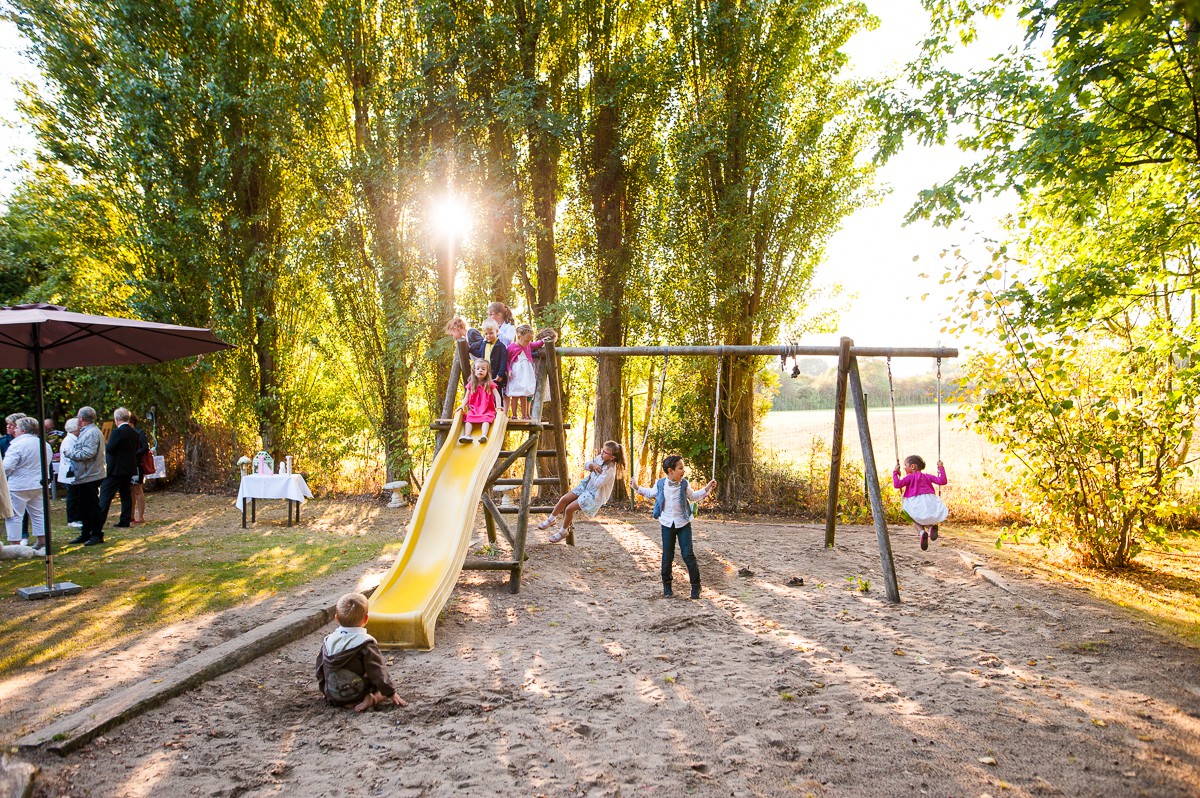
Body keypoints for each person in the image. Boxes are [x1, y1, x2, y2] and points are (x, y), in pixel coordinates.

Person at [632, 455, 717, 599]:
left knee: (688, 555)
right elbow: (649, 493)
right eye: (680, 468)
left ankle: (696, 586)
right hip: (667, 524)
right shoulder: (660, 484)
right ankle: (667, 585)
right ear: (670, 471)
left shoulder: (684, 484)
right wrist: (636, 487)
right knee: (667, 556)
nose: (683, 471)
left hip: (683, 523)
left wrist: (708, 487)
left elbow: (694, 496)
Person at [315, 593, 407, 712]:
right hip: (358, 693)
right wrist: (391, 693)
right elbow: (378, 672)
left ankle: (344, 701)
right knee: (384, 690)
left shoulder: (328, 641)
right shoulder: (365, 644)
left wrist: (326, 690)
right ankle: (372, 699)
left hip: (334, 695)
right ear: (366, 619)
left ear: (336, 618)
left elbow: (320, 669)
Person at [538, 440, 625, 543]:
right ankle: (551, 519)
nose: (602, 453)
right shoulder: (600, 458)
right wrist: (592, 465)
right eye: (602, 450)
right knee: (564, 499)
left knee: (569, 509)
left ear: (612, 457)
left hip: (593, 495)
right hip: (585, 486)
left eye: (605, 452)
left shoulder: (610, 470)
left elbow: (598, 483)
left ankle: (563, 531)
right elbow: (586, 465)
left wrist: (593, 470)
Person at [2, 416, 53, 552]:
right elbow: (47, 463)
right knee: (38, 513)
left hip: (19, 485)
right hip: (39, 483)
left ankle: (15, 545)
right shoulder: (44, 444)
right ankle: (42, 541)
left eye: (17, 427)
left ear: (23, 430)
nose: (15, 430)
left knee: (14, 515)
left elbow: (6, 467)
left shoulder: (17, 445)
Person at [892, 454, 948, 551]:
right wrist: (941, 467)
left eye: (906, 465)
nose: (904, 468)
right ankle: (931, 529)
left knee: (911, 517)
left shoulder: (909, 478)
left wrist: (895, 473)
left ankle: (922, 533)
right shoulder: (927, 476)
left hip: (915, 501)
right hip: (929, 501)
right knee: (922, 517)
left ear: (912, 466)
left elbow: (897, 485)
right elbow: (943, 481)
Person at [68, 406, 107, 546]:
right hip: (86, 474)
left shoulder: (91, 433)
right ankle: (85, 533)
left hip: (90, 474)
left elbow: (88, 453)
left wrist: (70, 453)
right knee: (84, 506)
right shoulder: (88, 432)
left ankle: (96, 534)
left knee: (91, 506)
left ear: (81, 419)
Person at [505, 324, 547, 420]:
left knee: (524, 393)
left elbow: (536, 344)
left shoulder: (528, 345)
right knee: (515, 394)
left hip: (526, 372)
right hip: (516, 372)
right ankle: (514, 414)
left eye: (530, 341)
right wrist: (509, 370)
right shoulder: (511, 347)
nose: (528, 343)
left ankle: (525, 415)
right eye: (526, 340)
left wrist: (543, 341)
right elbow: (507, 360)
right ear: (519, 337)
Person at [458, 358, 503, 444]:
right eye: (478, 368)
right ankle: (467, 435)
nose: (480, 370)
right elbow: (466, 397)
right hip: (474, 410)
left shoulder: (490, 384)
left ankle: (484, 435)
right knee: (468, 419)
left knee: (486, 419)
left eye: (483, 369)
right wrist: (463, 405)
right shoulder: (471, 384)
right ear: (474, 371)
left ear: (487, 371)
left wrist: (498, 406)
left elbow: (497, 396)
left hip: (487, 410)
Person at [468, 318, 508, 398]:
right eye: (486, 334)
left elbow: (503, 362)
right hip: (485, 374)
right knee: (486, 395)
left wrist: (500, 374)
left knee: (497, 394)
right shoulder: (484, 344)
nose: (488, 336)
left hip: (495, 375)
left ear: (497, 331)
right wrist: (470, 349)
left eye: (491, 333)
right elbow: (480, 354)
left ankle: (498, 409)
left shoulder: (501, 347)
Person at [57, 417, 82, 529]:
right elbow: (71, 456)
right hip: (70, 474)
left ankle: (77, 517)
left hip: (73, 474)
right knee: (73, 496)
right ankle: (72, 519)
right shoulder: (69, 441)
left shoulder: (74, 439)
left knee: (76, 496)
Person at [129, 412, 151, 524]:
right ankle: (131, 515)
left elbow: (145, 448)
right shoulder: (124, 433)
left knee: (138, 489)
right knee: (130, 491)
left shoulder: (139, 432)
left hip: (137, 464)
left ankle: (140, 516)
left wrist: (133, 454)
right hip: (127, 465)